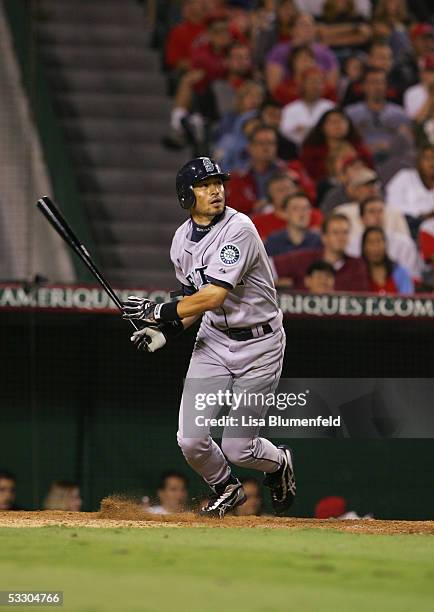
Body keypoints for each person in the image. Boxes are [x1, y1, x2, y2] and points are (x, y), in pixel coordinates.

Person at [123, 157, 296, 518]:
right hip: (214, 340)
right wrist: (164, 332)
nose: (215, 190)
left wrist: (157, 312)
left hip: (260, 345)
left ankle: (279, 462)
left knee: (238, 448)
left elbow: (214, 295)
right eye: (204, 185)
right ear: (187, 195)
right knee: (191, 439)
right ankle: (227, 488)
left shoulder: (240, 229)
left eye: (217, 182)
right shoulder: (180, 241)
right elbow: (193, 304)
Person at [272, 213, 370, 290]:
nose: (341, 238)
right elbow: (265, 269)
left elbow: (362, 300)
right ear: (324, 237)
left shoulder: (357, 265)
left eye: (345, 232)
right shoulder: (303, 259)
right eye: (336, 233)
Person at [345, 67, 414, 167]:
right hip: (360, 161)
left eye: (381, 82)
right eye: (372, 82)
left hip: (393, 160)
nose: (377, 87)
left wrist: (393, 144)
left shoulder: (400, 113)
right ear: (363, 86)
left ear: (386, 86)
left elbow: (409, 144)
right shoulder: (351, 113)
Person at [346, 196, 422, 280]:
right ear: (362, 218)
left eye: (380, 211)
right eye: (372, 212)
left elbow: (413, 277)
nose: (377, 216)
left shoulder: (404, 243)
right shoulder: (352, 244)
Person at [266, 12, 339, 94]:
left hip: (319, 99)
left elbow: (332, 86)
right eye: (303, 25)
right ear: (292, 29)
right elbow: (273, 87)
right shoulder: (279, 52)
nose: (308, 28)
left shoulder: (326, 52)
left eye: (311, 25)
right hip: (287, 98)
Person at [225, 125, 289, 215]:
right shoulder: (238, 177)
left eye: (271, 143)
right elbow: (231, 206)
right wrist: (255, 205)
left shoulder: (288, 171)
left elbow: (309, 194)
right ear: (250, 147)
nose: (266, 148)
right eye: (261, 143)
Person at [300, 108, 373, 183]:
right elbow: (309, 175)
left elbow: (370, 168)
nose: (338, 125)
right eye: (332, 122)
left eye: (341, 121)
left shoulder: (358, 146)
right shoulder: (312, 149)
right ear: (322, 127)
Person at [385, 145, 434, 237]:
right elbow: (392, 206)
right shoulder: (404, 177)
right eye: (428, 158)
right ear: (419, 161)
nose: (432, 163)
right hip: (408, 227)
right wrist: (422, 214)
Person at [279, 67, 335, 146]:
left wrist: (306, 129)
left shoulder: (331, 107)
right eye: (312, 82)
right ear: (303, 85)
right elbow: (284, 132)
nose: (315, 86)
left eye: (319, 82)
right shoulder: (289, 109)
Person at [265, 192, 321, 256]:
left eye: (306, 208)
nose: (302, 214)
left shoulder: (318, 241)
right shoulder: (274, 241)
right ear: (285, 213)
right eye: (295, 209)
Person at [361, 226, 414, 293]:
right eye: (371, 242)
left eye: (379, 241)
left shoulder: (400, 272)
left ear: (385, 244)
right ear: (364, 247)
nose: (376, 248)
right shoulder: (358, 274)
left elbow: (407, 299)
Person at [252, 172, 298, 240]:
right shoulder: (258, 223)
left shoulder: (314, 216)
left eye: (288, 188)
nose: (287, 193)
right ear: (270, 197)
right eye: (280, 190)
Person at [404, 54, 434, 120]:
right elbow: (415, 122)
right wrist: (431, 96)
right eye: (429, 71)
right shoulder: (412, 92)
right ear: (421, 73)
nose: (432, 75)